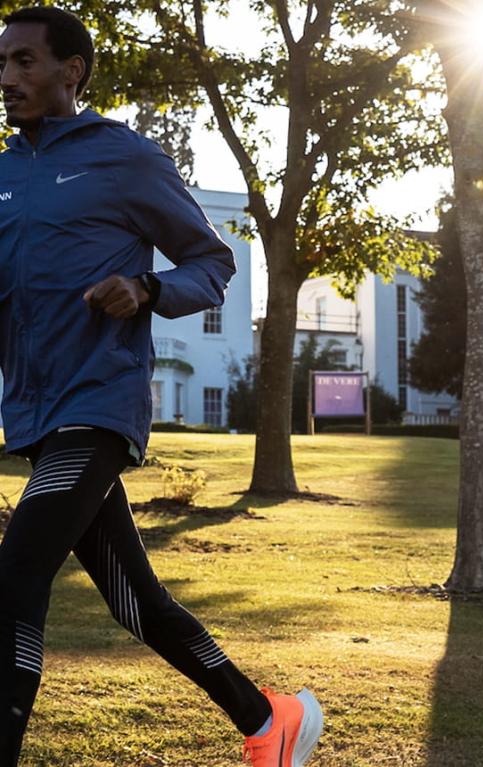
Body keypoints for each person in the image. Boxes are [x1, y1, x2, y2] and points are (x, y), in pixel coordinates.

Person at [0, 7, 322, 766]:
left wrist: (146, 288)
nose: (6, 78)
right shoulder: (5, 173)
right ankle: (269, 719)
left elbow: (211, 263)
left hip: (99, 402)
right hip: (34, 415)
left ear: (71, 71)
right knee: (134, 599)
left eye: (23, 62)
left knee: (15, 579)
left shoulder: (126, 158)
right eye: (2, 64)